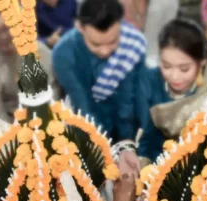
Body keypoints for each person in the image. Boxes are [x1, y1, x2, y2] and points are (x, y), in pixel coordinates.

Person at [52, 0, 146, 175]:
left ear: (120, 25)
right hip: (84, 125)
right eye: (96, 44)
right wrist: (108, 152)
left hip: (125, 121)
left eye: (112, 42)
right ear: (80, 27)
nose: (104, 51)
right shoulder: (63, 52)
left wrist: (126, 143)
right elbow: (83, 104)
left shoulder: (132, 44)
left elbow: (128, 98)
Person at [136, 19, 207, 166]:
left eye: (184, 69)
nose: (175, 76)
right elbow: (146, 137)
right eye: (166, 66)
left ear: (202, 63)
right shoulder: (150, 81)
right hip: (157, 162)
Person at [0, 8, 54, 122]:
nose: (3, 37)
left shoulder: (38, 50)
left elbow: (53, 91)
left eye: (6, 28)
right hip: (13, 120)